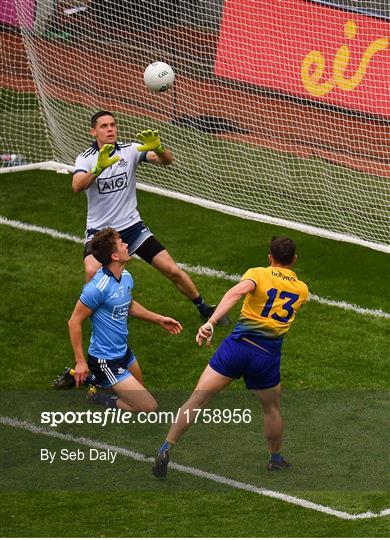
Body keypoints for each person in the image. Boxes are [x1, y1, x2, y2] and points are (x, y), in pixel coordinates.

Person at [152, 236, 309, 476]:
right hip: (266, 357)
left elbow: (236, 293)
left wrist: (211, 322)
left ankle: (166, 448)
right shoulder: (302, 290)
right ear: (294, 259)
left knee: (196, 400)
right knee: (271, 410)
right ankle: (275, 458)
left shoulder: (258, 274)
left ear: (270, 257)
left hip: (235, 349)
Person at [72, 110, 228, 324]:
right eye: (104, 126)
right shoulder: (86, 159)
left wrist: (160, 148)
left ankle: (204, 308)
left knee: (172, 270)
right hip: (101, 233)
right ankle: (95, 315)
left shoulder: (130, 150)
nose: (110, 129)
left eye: (112, 125)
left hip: (132, 227)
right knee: (91, 270)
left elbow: (166, 161)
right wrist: (98, 169)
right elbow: (77, 186)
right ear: (93, 131)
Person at [68, 227, 182, 411]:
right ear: (114, 256)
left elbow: (128, 305)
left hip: (124, 353)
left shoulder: (126, 277)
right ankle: (98, 396)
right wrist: (80, 361)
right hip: (105, 359)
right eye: (122, 243)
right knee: (148, 407)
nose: (127, 245)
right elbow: (74, 322)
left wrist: (159, 319)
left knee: (140, 392)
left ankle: (94, 381)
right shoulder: (97, 287)